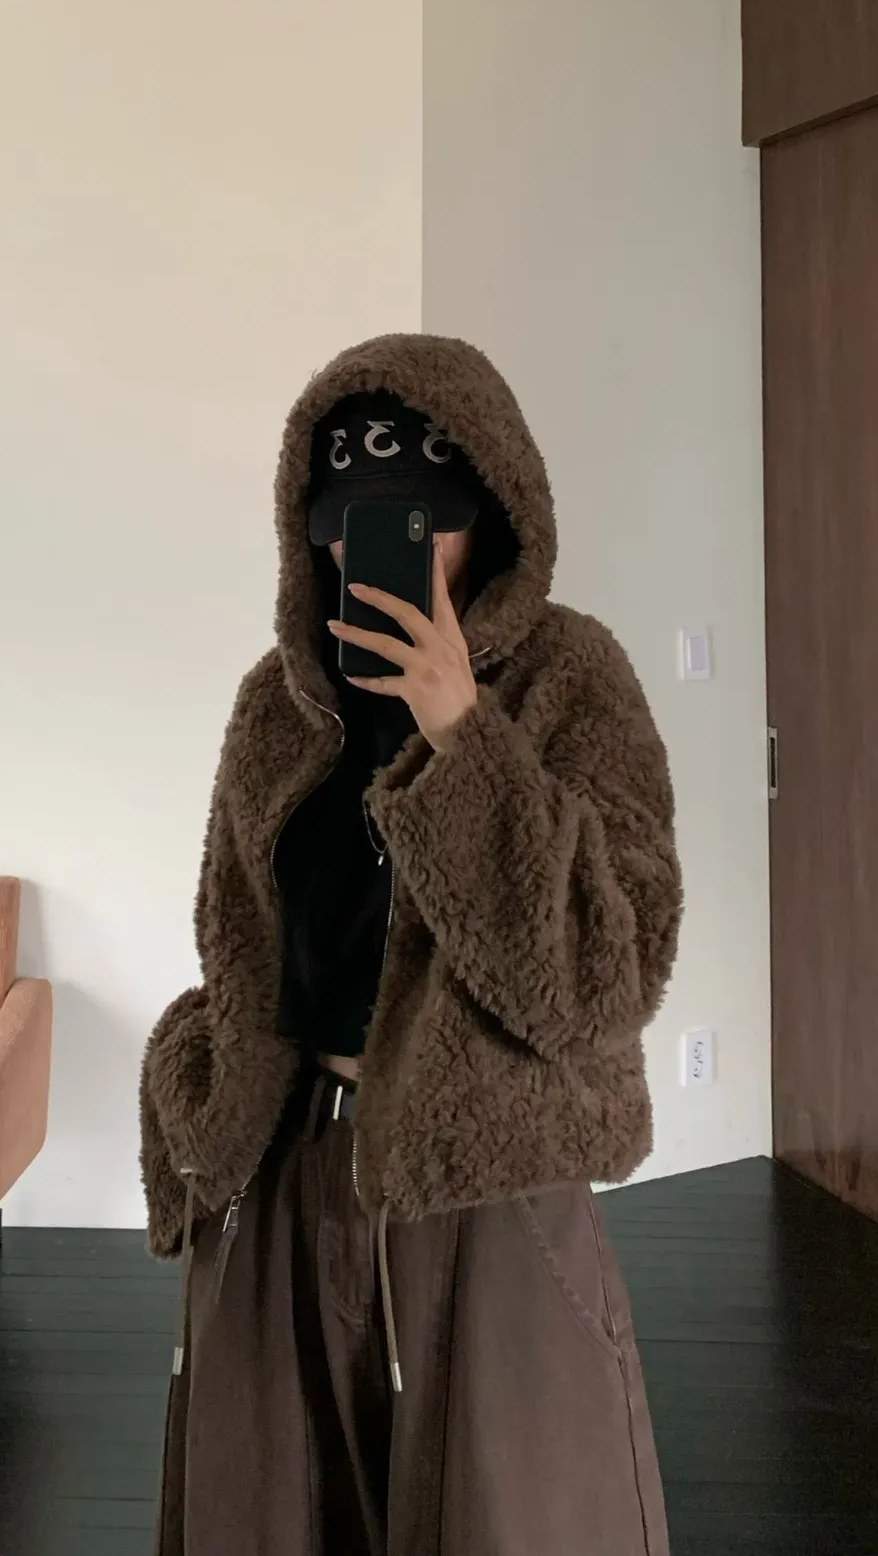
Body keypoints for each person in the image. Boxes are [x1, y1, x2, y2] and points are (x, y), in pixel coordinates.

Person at [140, 333, 682, 1556]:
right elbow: (237, 950)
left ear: (493, 511)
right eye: (349, 523)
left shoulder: (572, 677)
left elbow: (605, 973)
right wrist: (201, 1097)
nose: (382, 551)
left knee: (514, 1520)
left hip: (490, 1200)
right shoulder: (275, 704)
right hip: (284, 1188)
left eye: (422, 520)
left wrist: (462, 734)